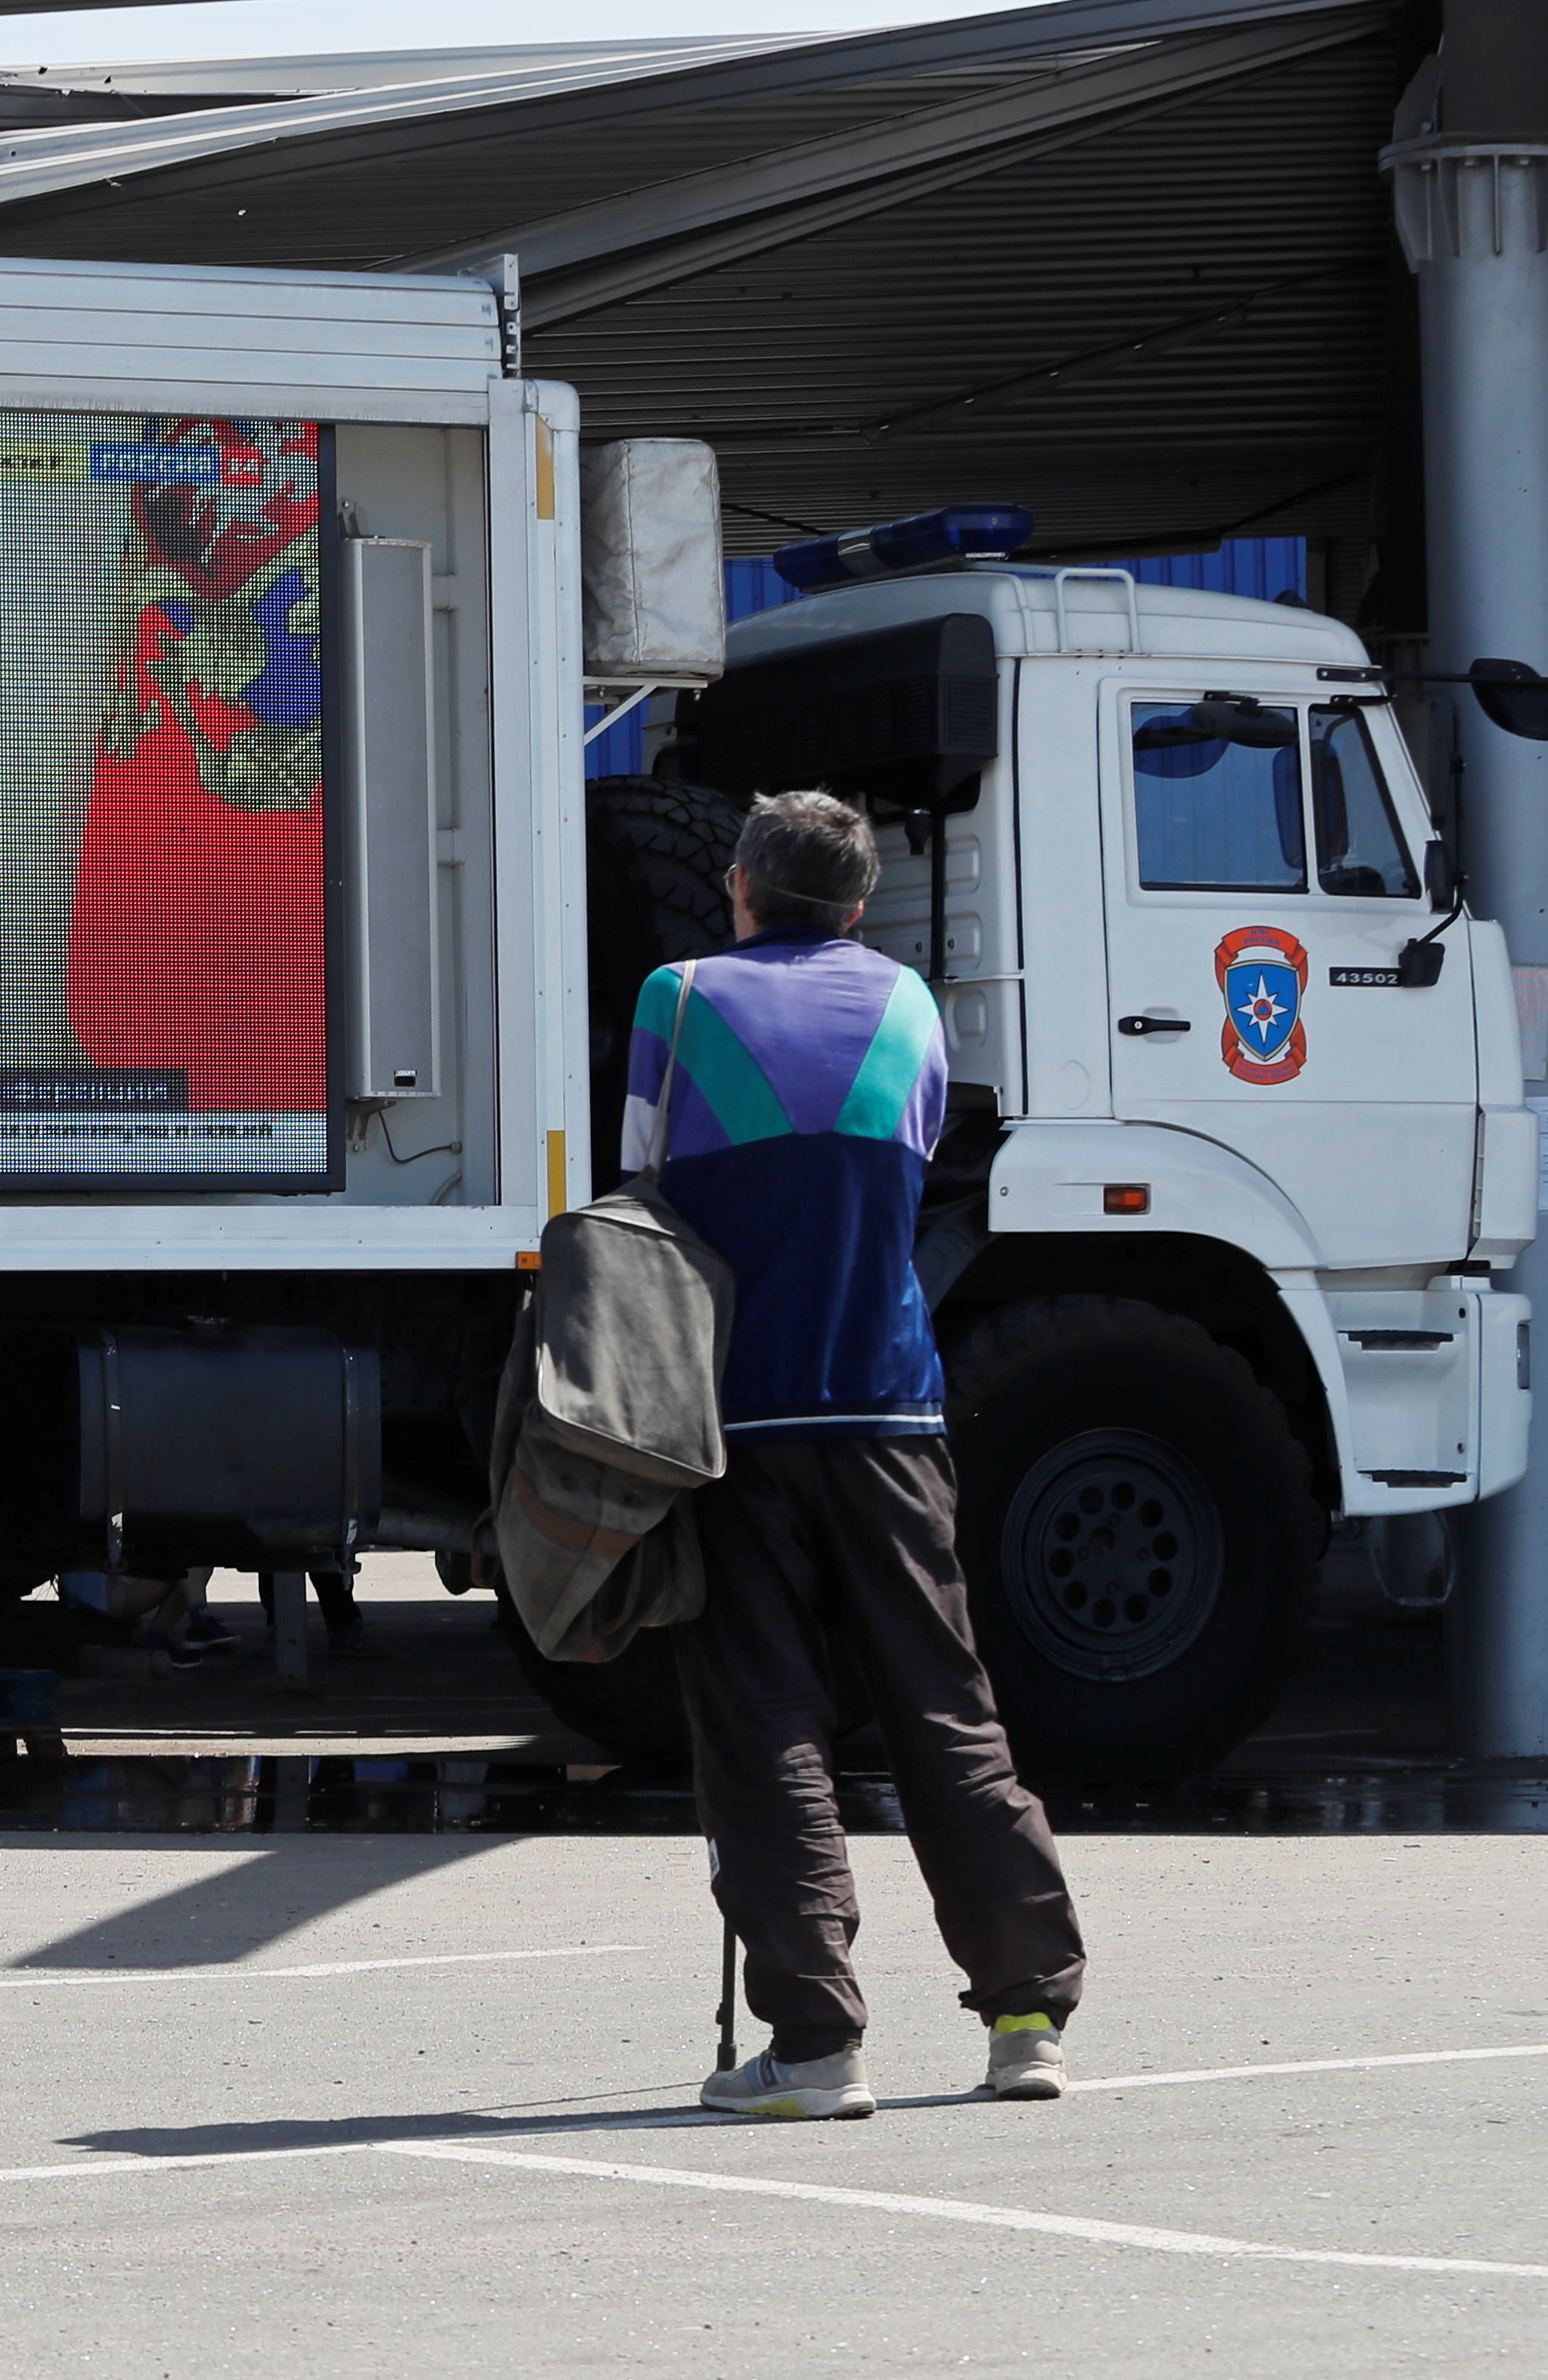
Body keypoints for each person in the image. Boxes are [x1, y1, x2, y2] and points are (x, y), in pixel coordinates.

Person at [625, 790, 1085, 2119]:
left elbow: (644, 1191)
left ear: (743, 888)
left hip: (740, 1414)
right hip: (890, 1407)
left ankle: (817, 2049)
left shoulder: (679, 996)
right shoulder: (910, 1004)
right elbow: (906, 1163)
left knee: (765, 1725)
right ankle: (1023, 2020)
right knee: (945, 1708)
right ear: (859, 901)